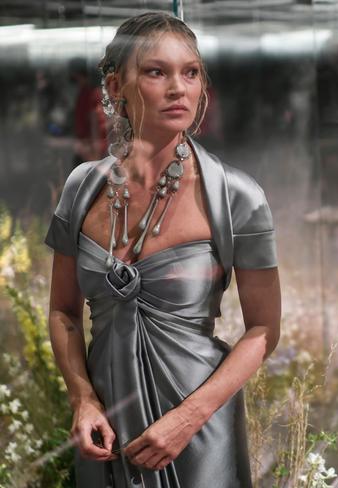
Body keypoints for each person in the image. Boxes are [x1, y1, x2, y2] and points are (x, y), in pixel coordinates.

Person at [46, 12, 280, 488]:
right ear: (115, 87)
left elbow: (263, 329)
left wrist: (188, 418)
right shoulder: (81, 187)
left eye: (190, 72)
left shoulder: (236, 195)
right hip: (104, 426)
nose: (179, 88)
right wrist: (82, 399)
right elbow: (63, 312)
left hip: (198, 428)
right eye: (157, 72)